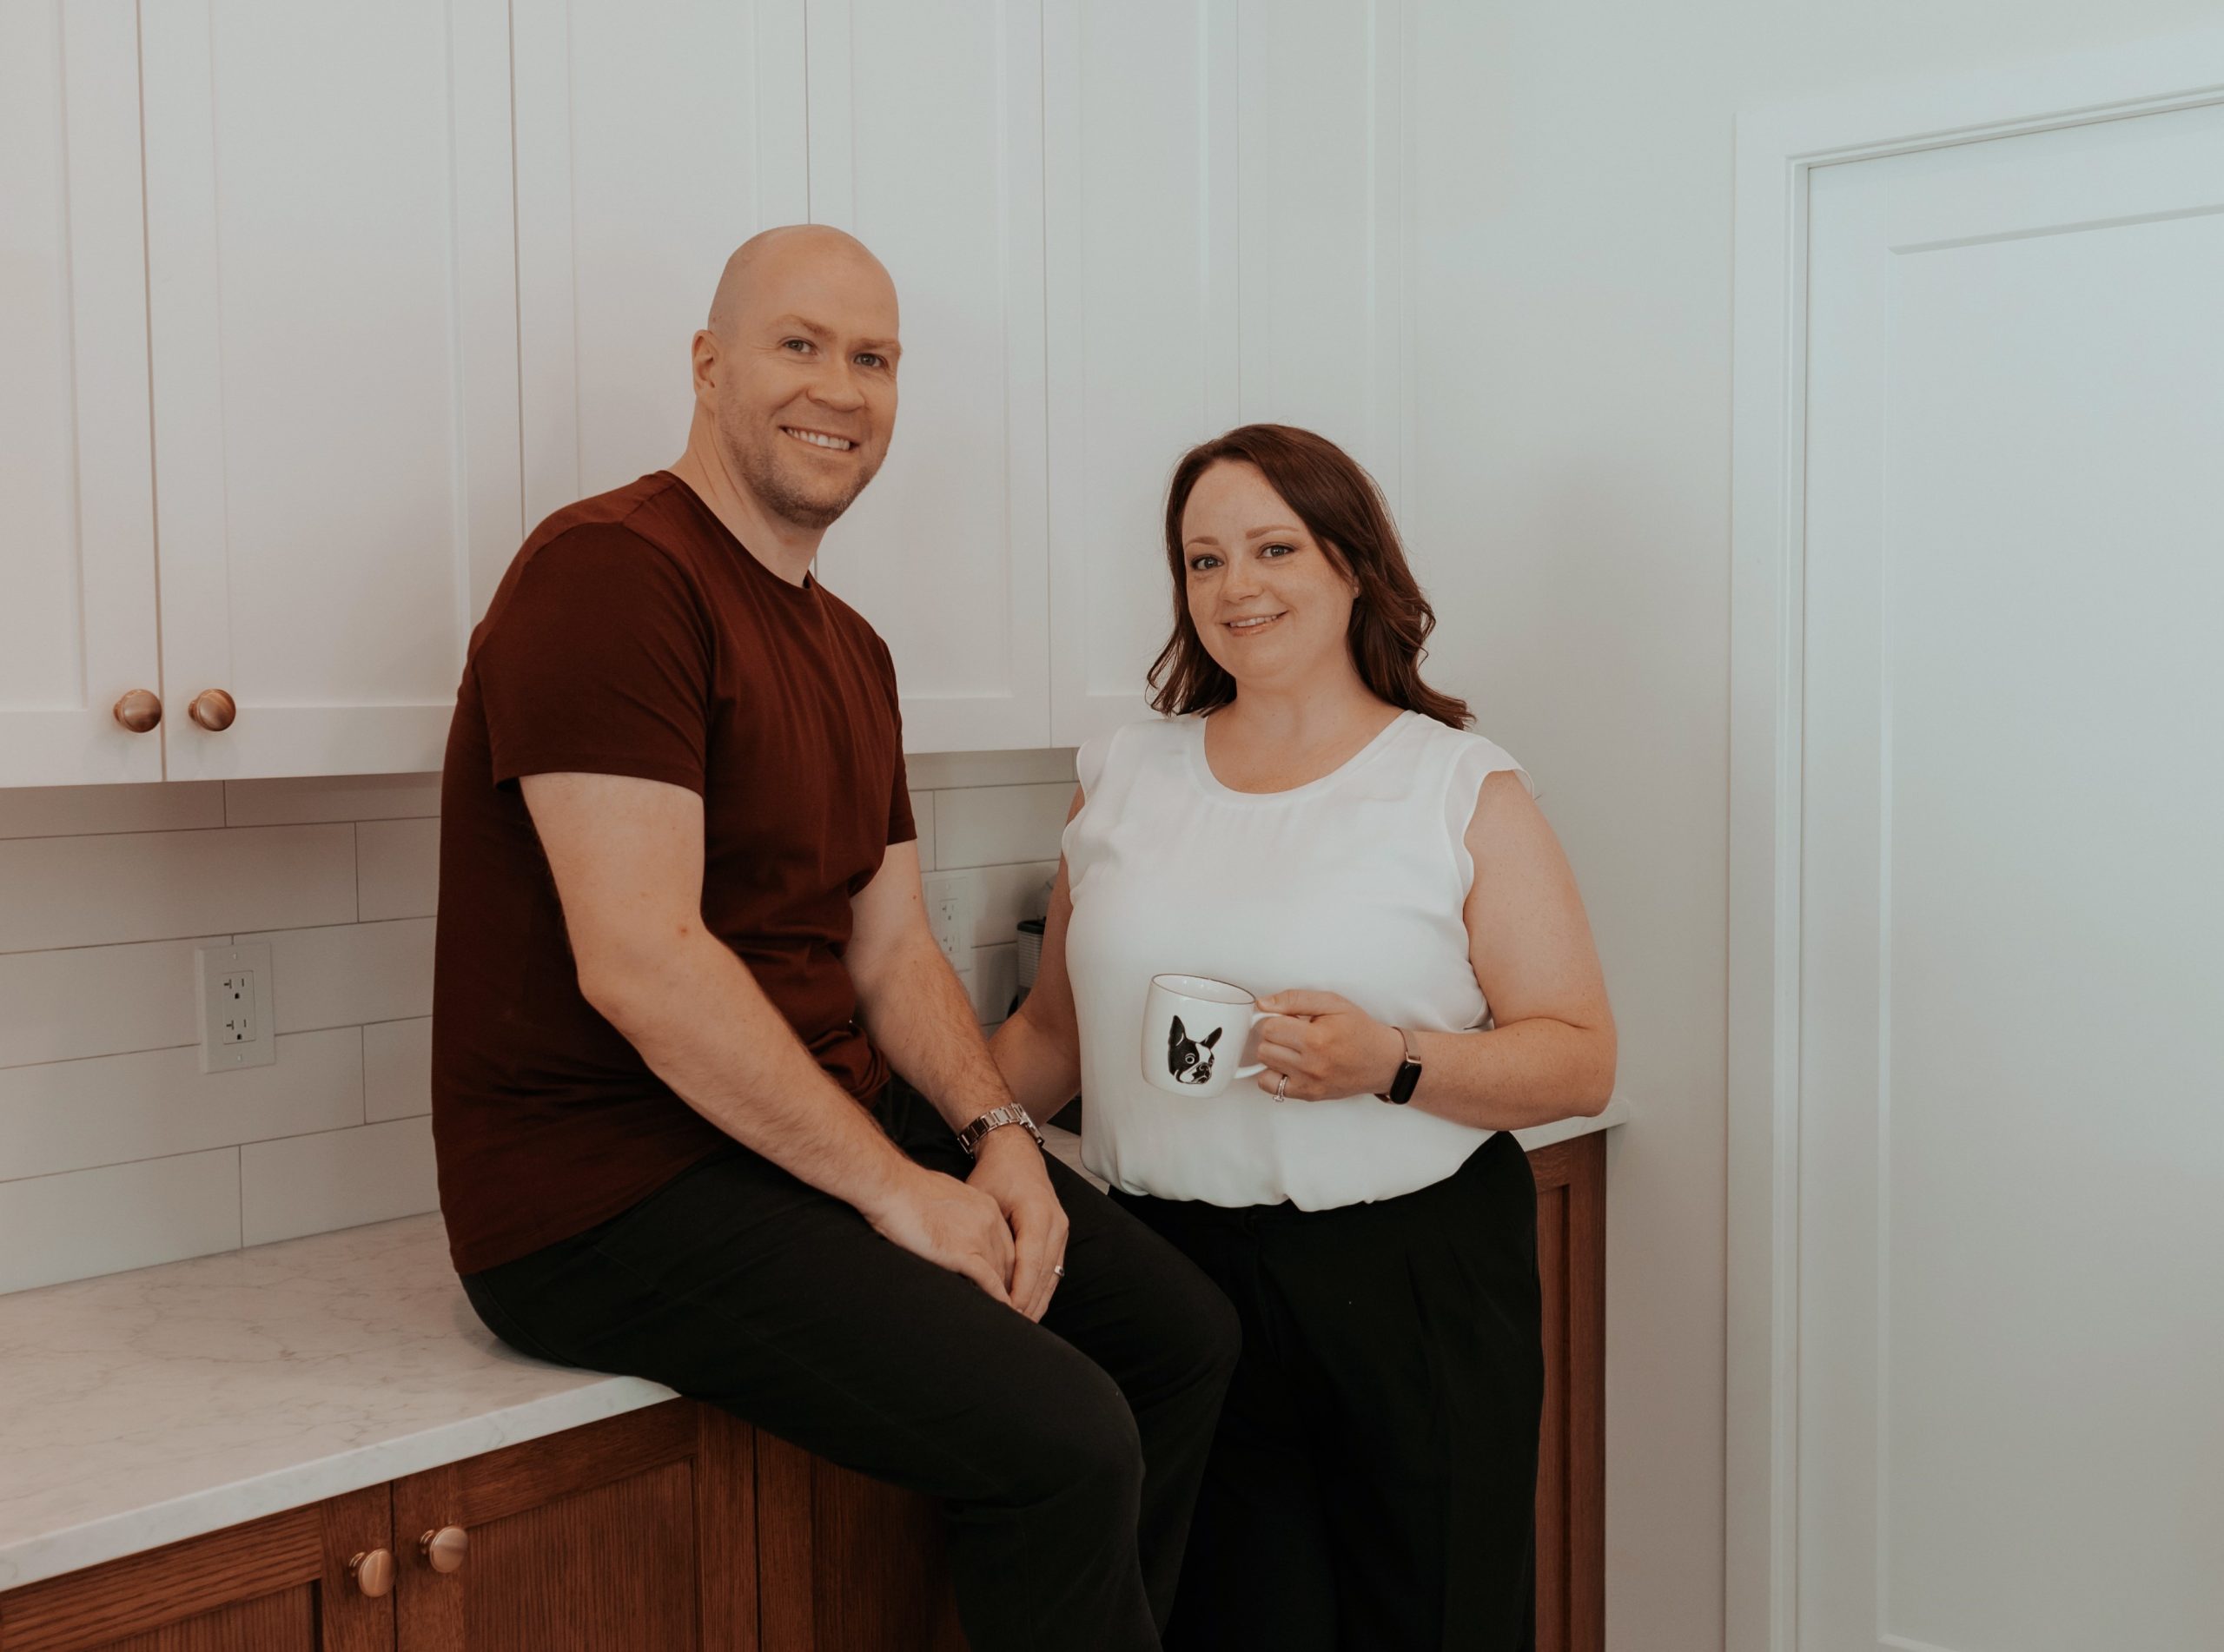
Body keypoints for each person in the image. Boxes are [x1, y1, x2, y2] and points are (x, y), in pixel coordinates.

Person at [429, 225, 1238, 1652]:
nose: (842, 389)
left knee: (1181, 1338)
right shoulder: (610, 576)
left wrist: (992, 1130)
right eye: (800, 345)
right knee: (1064, 1432)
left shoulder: (848, 647)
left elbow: (890, 948)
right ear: (710, 364)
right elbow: (644, 961)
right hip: (603, 1194)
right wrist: (895, 1191)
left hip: (780, 1144)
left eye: (875, 359)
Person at [990, 424, 1617, 1650]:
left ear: (1352, 565)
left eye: (1273, 547)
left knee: (1432, 1621)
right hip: (1173, 1286)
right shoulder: (1121, 775)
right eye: (1204, 559)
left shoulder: (1457, 784)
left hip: (1413, 1282)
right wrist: (894, 1155)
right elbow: (1053, 1037)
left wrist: (1393, 1061)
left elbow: (1580, 1052)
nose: (1237, 587)